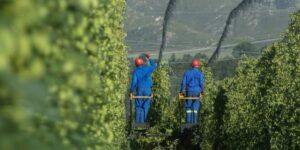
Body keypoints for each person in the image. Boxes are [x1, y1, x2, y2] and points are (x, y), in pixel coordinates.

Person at [129, 53, 156, 124]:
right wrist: (149, 58)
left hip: (139, 91)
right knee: (145, 105)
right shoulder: (147, 69)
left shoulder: (136, 72)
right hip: (147, 90)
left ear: (136, 64)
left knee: (138, 106)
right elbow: (154, 66)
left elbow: (134, 82)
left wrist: (131, 91)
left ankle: (138, 123)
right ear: (142, 63)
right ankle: (143, 122)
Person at [180, 59, 205, 124]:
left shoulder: (187, 73)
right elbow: (202, 83)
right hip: (197, 92)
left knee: (188, 107)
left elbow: (183, 83)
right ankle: (195, 123)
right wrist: (203, 91)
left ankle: (188, 123)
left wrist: (182, 91)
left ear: (192, 65)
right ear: (198, 66)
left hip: (189, 91)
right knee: (195, 108)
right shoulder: (200, 74)